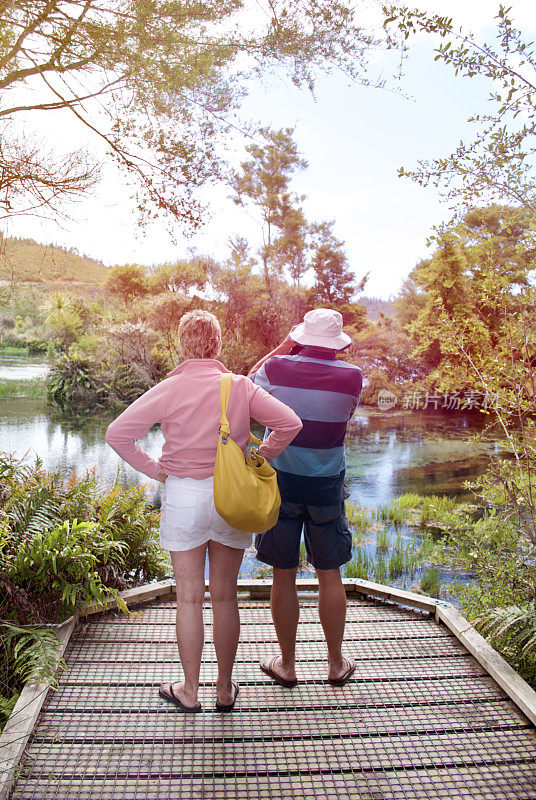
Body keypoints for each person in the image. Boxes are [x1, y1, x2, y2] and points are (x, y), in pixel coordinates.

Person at [105, 310, 302, 713]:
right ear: (218, 344)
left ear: (181, 345)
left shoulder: (169, 388)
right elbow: (290, 423)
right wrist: (259, 457)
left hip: (184, 496)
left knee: (190, 599)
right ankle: (225, 689)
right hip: (233, 496)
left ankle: (190, 690)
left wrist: (158, 471)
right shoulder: (240, 386)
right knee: (225, 597)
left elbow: (117, 435)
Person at [248, 308, 363, 688]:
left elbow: (246, 385)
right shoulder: (353, 377)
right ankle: (334, 664)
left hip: (280, 485)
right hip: (327, 485)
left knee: (284, 575)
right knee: (330, 575)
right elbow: (344, 415)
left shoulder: (278, 367)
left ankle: (287, 665)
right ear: (337, 343)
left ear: (301, 337)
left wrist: (283, 346)